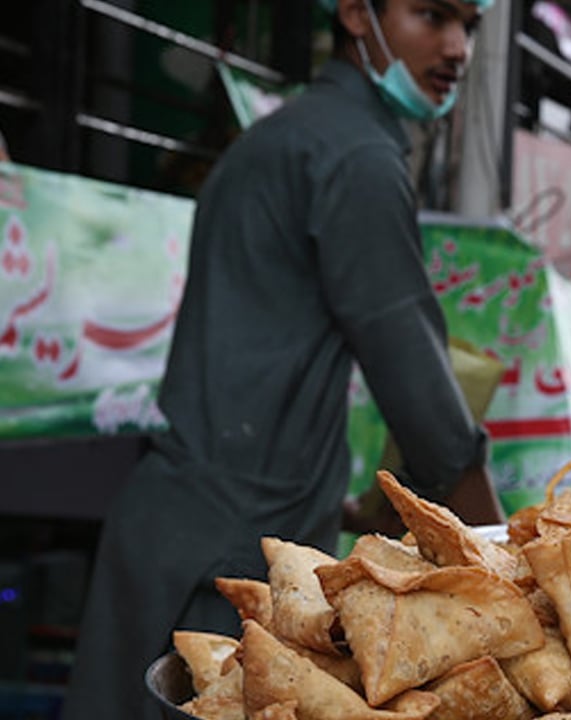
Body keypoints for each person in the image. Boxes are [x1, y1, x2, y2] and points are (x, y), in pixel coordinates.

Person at [62, 1, 500, 718]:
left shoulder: (287, 136)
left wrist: (362, 507)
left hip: (180, 527)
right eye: (431, 14)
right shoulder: (356, 157)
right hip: (224, 558)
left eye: (469, 26)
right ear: (357, 13)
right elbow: (419, 387)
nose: (456, 47)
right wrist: (502, 563)